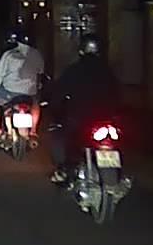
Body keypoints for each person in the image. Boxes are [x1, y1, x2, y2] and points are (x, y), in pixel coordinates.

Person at [42, 34, 120, 183]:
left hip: (80, 118)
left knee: (64, 139)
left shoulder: (74, 70)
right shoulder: (108, 71)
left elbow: (58, 92)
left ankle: (65, 171)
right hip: (107, 119)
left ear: (81, 50)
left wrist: (54, 106)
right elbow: (118, 95)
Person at [0, 27, 45, 142]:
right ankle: (33, 131)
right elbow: (40, 73)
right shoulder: (37, 54)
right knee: (36, 102)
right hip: (29, 93)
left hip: (9, 93)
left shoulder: (9, 55)